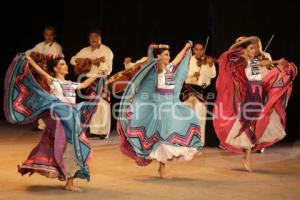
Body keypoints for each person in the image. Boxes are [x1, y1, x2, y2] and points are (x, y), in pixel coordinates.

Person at [4, 53, 106, 192]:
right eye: (62, 64)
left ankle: (68, 181)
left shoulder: (70, 84)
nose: (65, 66)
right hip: (61, 118)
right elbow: (41, 72)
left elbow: (84, 84)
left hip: (71, 117)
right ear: (56, 69)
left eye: (65, 64)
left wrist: (99, 74)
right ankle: (69, 183)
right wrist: (30, 62)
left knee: (71, 147)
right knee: (71, 146)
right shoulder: (53, 81)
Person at [117, 41, 202, 179]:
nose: (169, 57)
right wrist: (153, 49)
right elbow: (150, 55)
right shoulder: (156, 70)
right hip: (160, 106)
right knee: (162, 138)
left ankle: (162, 166)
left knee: (188, 119)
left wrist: (186, 47)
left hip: (171, 104)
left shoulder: (170, 68)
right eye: (166, 55)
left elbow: (178, 59)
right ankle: (162, 168)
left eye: (169, 55)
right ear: (159, 57)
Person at [213, 36, 297, 172]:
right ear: (245, 49)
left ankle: (248, 152)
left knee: (259, 123)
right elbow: (229, 52)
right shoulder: (242, 59)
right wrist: (245, 41)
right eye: (251, 48)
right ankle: (247, 157)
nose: (254, 50)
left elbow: (262, 64)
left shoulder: (256, 60)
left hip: (259, 94)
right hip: (248, 95)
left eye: (255, 48)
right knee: (247, 125)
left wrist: (277, 61)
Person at [70, 29, 113, 139]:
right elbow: (72, 60)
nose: (94, 39)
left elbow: (108, 68)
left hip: (101, 80)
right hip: (89, 81)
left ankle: (104, 132)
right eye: (91, 37)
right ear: (89, 39)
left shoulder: (106, 50)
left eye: (96, 37)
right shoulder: (85, 50)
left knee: (103, 105)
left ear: (100, 38)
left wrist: (100, 64)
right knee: (92, 106)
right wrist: (91, 61)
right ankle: (94, 130)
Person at [26, 25, 63, 131]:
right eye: (47, 35)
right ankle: (41, 125)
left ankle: (52, 124)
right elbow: (29, 52)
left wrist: (42, 59)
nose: (49, 37)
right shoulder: (40, 45)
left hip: (51, 75)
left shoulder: (57, 47)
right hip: (41, 76)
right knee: (41, 99)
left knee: (51, 99)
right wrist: (24, 55)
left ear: (54, 36)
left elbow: (55, 60)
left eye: (51, 35)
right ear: (44, 35)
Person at [183, 42, 216, 146]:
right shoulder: (188, 59)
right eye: (196, 49)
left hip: (201, 91)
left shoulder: (208, 61)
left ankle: (199, 143)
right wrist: (193, 74)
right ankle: (186, 141)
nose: (199, 51)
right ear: (193, 50)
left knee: (200, 118)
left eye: (201, 49)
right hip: (189, 90)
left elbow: (213, 75)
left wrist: (210, 65)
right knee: (186, 117)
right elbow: (182, 74)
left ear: (203, 50)